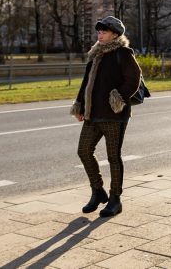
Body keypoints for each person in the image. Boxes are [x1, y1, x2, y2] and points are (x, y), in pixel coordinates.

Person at [71, 16, 141, 218]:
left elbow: (133, 79)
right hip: (93, 114)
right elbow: (86, 83)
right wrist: (80, 106)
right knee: (83, 151)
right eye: (99, 32)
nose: (99, 35)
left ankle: (115, 199)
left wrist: (118, 97)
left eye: (104, 32)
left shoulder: (123, 53)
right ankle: (98, 191)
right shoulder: (95, 54)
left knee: (113, 157)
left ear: (115, 34)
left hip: (114, 115)